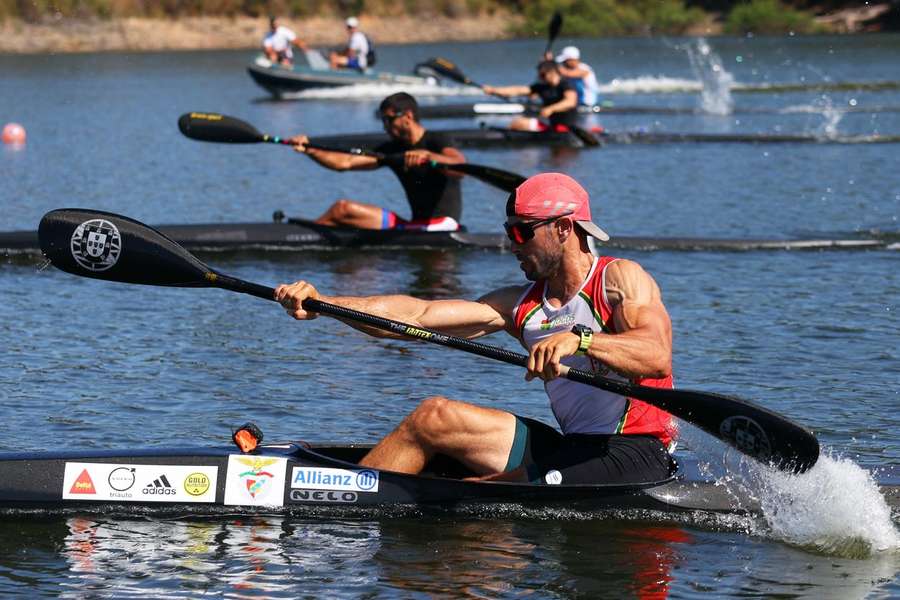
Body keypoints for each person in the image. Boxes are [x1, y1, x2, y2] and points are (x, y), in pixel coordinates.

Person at [275, 172, 678, 486]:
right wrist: (324, 304)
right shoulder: (520, 304)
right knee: (432, 416)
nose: (513, 244)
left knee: (486, 493)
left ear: (562, 229)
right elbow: (417, 316)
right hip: (573, 447)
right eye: (509, 233)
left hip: (636, 451)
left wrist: (582, 340)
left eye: (523, 231)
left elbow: (656, 357)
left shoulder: (619, 279)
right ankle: (347, 493)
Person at [287, 92, 466, 231]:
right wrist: (310, 150)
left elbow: (459, 166)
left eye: (388, 120)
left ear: (408, 117)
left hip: (442, 225)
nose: (384, 126)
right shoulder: (392, 149)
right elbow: (345, 163)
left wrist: (428, 156)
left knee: (341, 211)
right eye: (383, 120)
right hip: (414, 225)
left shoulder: (438, 140)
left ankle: (301, 238)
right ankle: (309, 235)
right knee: (343, 210)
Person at [482, 61, 578, 132]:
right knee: (517, 123)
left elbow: (570, 102)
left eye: (543, 75)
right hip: (552, 125)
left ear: (553, 72)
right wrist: (493, 90)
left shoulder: (565, 84)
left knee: (520, 123)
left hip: (566, 128)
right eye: (540, 75)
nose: (540, 77)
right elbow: (517, 90)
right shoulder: (543, 86)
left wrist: (551, 109)